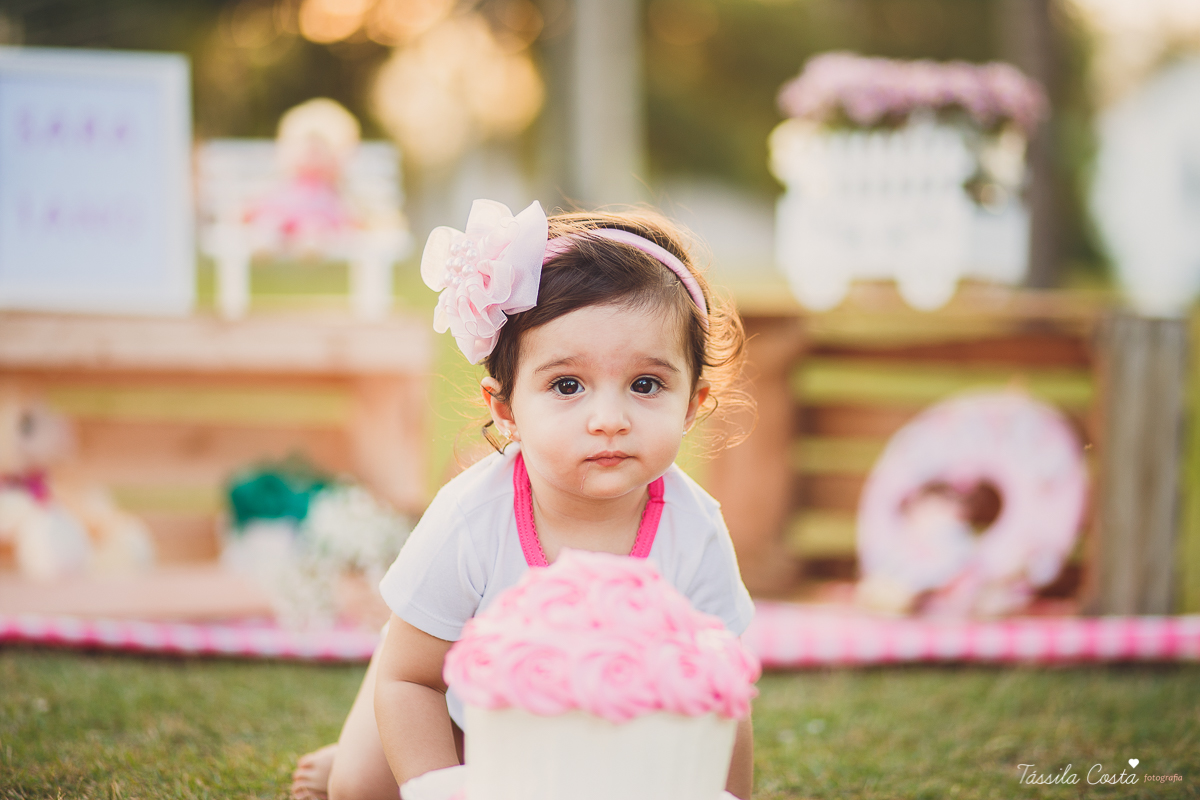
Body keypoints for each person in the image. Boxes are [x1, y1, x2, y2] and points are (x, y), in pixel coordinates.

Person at [291, 199, 756, 800]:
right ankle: (354, 753)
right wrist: (439, 789)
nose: (608, 419)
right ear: (505, 407)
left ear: (693, 402)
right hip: (446, 695)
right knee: (361, 788)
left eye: (646, 385)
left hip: (596, 723)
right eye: (568, 385)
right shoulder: (472, 517)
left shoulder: (695, 530)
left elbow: (722, 696)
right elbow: (412, 680)